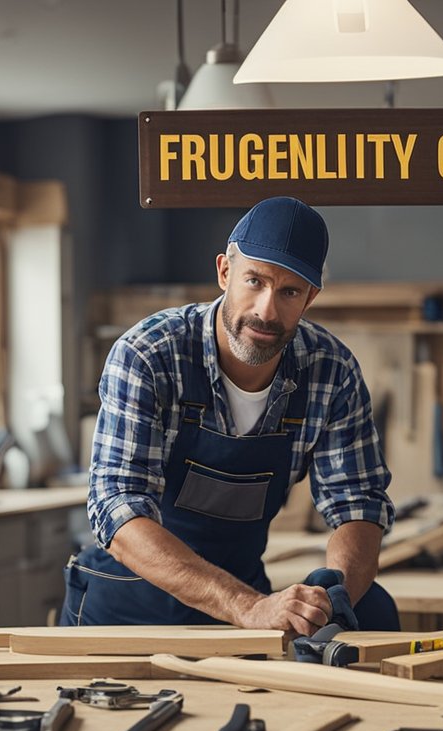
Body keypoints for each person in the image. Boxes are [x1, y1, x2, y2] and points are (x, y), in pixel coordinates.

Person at [60, 196, 398, 635]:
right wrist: (247, 607)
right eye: (254, 281)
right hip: (127, 613)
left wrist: (334, 598)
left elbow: (359, 504)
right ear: (224, 272)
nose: (266, 310)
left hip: (245, 610)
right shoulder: (148, 356)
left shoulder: (330, 372)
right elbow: (118, 508)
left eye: (289, 291)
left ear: (310, 296)